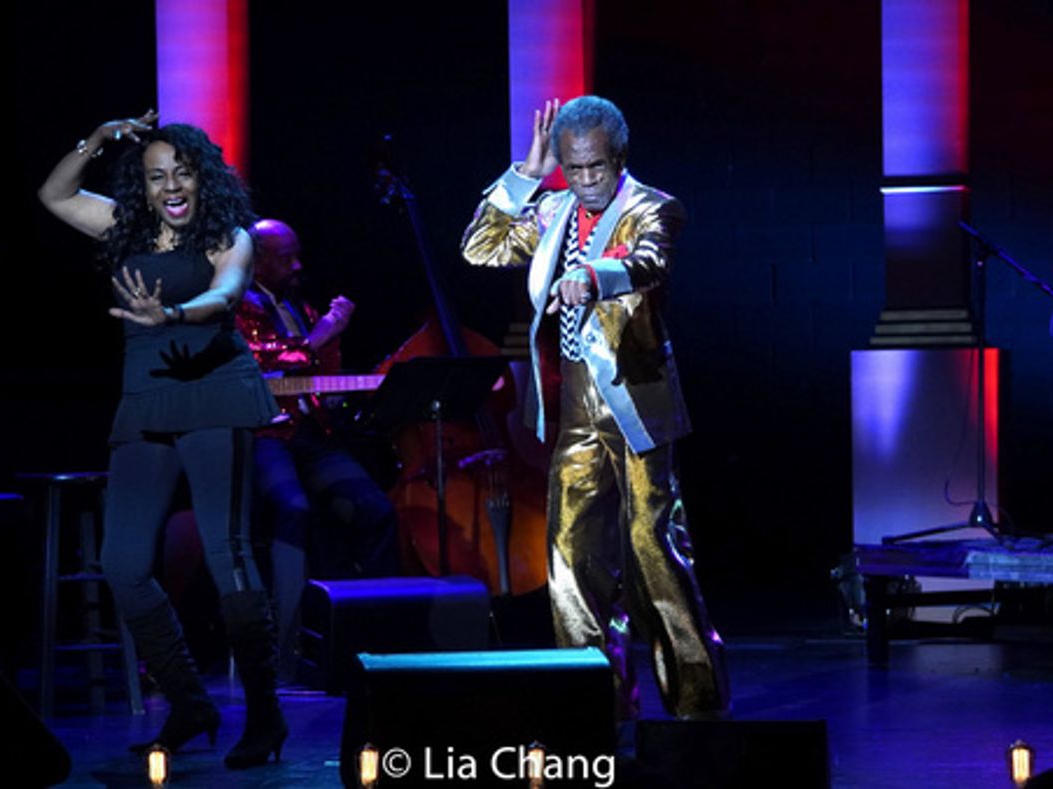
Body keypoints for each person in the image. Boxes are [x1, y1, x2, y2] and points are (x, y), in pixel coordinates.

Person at [460, 96, 728, 718]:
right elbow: (480, 246)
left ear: (619, 159)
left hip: (638, 402)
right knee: (570, 555)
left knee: (651, 549)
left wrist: (595, 276)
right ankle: (593, 706)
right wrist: (528, 172)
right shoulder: (553, 208)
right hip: (577, 404)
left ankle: (697, 704)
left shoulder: (653, 207)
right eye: (573, 169)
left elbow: (649, 262)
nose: (584, 182)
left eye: (595, 169)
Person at [38, 111, 287, 767]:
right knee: (122, 563)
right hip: (147, 399)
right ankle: (187, 700)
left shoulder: (226, 235)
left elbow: (227, 294)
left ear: (202, 178)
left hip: (215, 391)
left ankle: (264, 714)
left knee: (226, 548)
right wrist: (93, 140)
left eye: (181, 173)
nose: (171, 186)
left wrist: (172, 312)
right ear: (141, 187)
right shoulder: (124, 228)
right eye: (156, 177)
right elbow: (55, 196)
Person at [236, 218, 399, 680]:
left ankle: (372, 641)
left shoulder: (295, 307)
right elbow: (268, 362)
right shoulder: (238, 307)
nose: (297, 265)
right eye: (286, 258)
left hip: (310, 436)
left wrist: (334, 334)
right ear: (258, 259)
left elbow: (322, 374)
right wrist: (321, 334)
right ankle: (282, 650)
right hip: (267, 436)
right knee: (293, 509)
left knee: (376, 510)